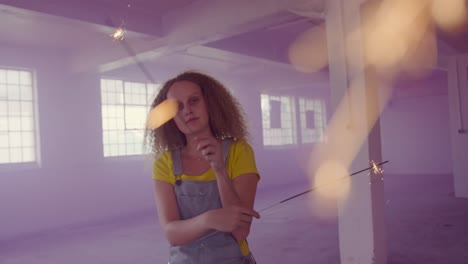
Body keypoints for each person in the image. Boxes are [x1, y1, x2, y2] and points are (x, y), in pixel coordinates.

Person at [147, 71, 261, 264]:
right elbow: (172, 235)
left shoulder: (239, 152)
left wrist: (219, 169)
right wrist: (208, 219)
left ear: (210, 103)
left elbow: (240, 230)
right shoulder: (164, 163)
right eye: (178, 107)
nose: (187, 111)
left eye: (194, 101)